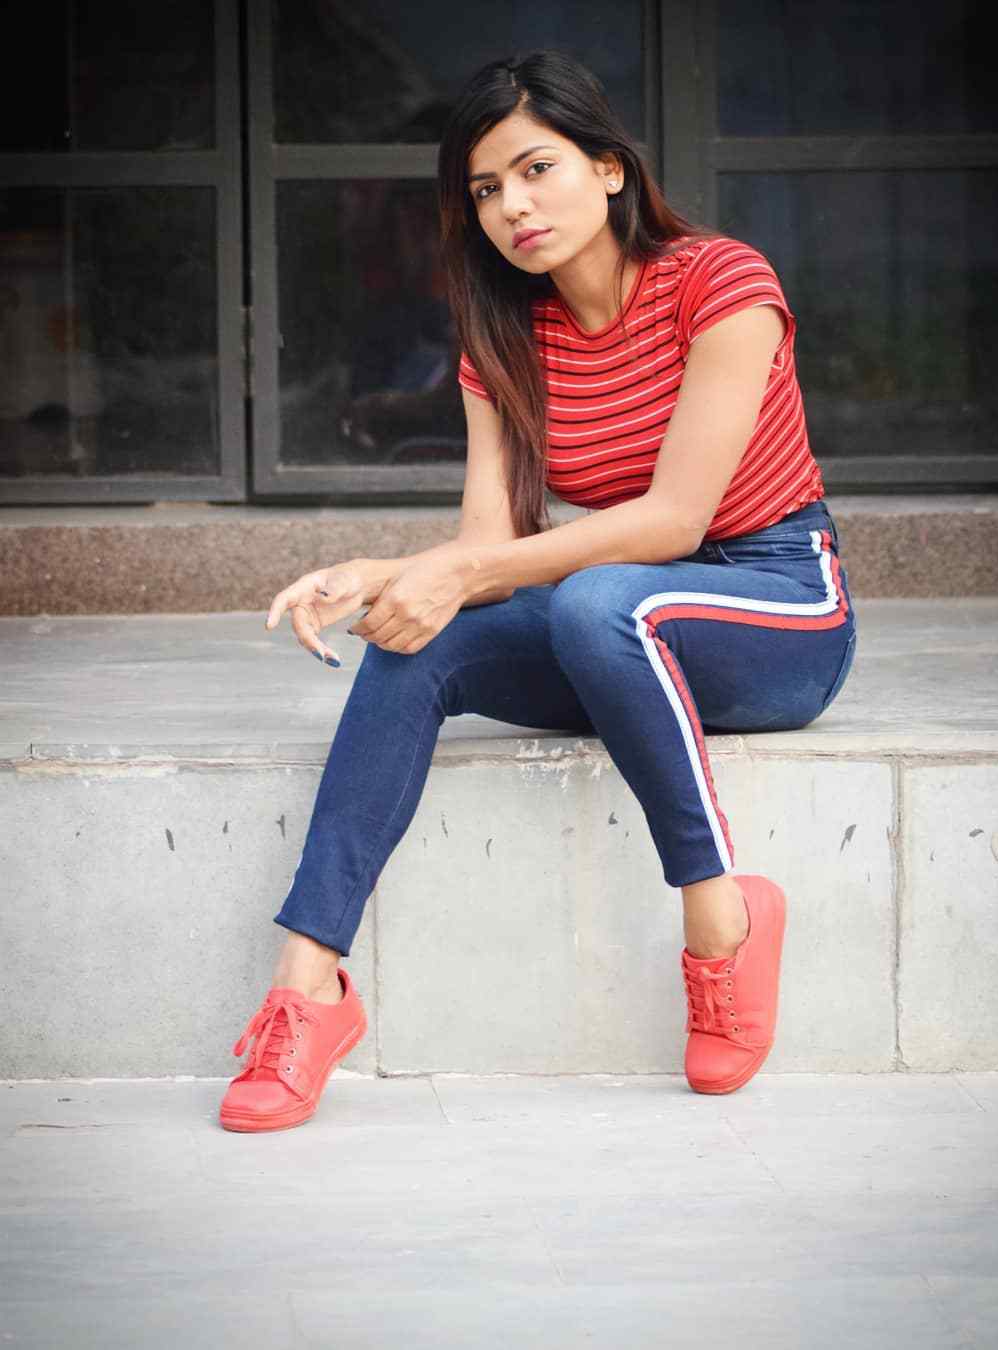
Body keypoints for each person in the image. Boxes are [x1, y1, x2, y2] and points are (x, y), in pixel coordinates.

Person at [219, 50, 857, 1133]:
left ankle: (722, 924)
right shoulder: (503, 335)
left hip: (778, 603)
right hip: (620, 619)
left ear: (610, 168)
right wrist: (383, 577)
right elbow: (490, 546)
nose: (512, 206)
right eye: (484, 189)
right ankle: (307, 989)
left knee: (597, 599)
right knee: (418, 639)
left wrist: (462, 572)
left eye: (536, 169)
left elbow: (676, 522)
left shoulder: (722, 282)